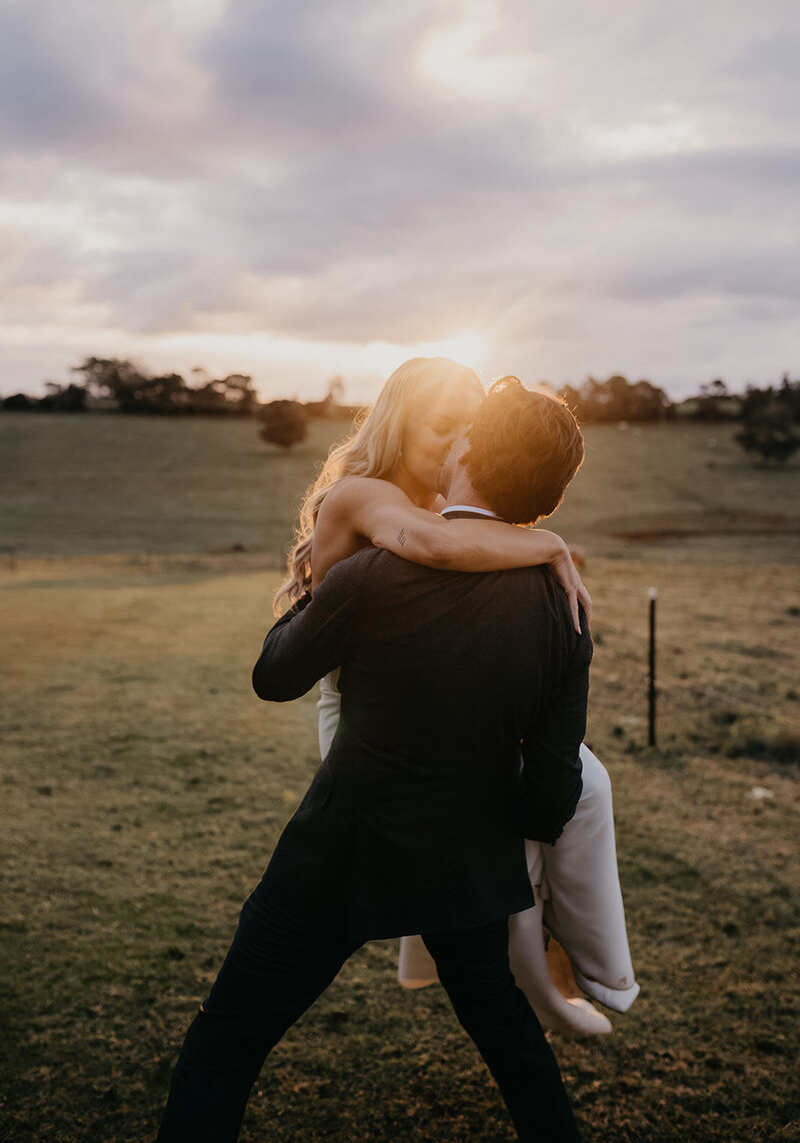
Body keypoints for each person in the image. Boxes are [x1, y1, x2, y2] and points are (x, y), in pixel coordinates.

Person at [157, 377, 593, 1142]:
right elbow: (555, 787)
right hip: (468, 867)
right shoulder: (566, 605)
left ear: (465, 450)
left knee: (228, 1042)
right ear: (549, 495)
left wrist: (314, 589)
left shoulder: (367, 576)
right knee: (512, 1045)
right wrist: (499, 829)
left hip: (340, 855)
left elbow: (274, 679)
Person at [283, 357, 637, 1034]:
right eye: (442, 427)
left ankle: (557, 976)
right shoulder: (368, 495)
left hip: (437, 699)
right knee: (524, 806)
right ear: (397, 426)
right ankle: (558, 981)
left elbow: (472, 550)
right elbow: (436, 549)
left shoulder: (450, 504)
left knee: (573, 787)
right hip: (366, 715)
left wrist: (538, 548)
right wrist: (550, 544)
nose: (457, 445)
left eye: (467, 429)